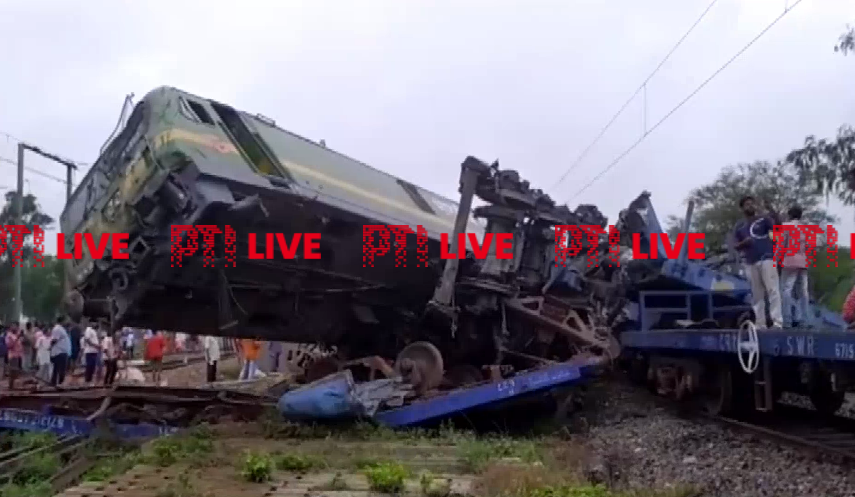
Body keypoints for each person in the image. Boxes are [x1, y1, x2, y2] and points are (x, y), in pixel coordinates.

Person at [733, 195, 783, 329]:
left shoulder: (764, 220)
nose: (750, 206)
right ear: (742, 208)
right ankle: (760, 324)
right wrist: (744, 243)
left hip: (767, 258)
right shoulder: (740, 226)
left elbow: (776, 233)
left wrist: (773, 212)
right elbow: (735, 245)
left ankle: (777, 322)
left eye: (752, 204)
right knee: (757, 294)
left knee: (772, 289)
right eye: (747, 204)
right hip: (750, 262)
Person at [779, 205, 813, 328]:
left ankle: (787, 320)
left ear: (789, 215)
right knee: (804, 291)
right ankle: (805, 319)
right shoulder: (806, 228)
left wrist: (777, 260)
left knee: (786, 290)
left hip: (789, 261)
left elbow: (782, 245)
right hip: (803, 261)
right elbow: (810, 246)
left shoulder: (786, 226)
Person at [49, 317, 71, 386]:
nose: (67, 322)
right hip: (59, 352)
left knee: (60, 369)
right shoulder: (57, 329)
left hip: (62, 352)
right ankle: (56, 384)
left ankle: (57, 383)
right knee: (59, 370)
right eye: (66, 320)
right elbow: (54, 340)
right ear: (62, 321)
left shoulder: (61, 329)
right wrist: (50, 348)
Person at [4, 322, 23, 390]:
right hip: (12, 355)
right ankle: (11, 386)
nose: (15, 328)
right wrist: (16, 339)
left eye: (16, 326)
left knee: (15, 372)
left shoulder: (16, 334)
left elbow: (19, 344)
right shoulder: (9, 336)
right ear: (11, 327)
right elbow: (9, 346)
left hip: (17, 355)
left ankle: (13, 386)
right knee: (12, 371)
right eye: (14, 326)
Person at [82, 321, 100, 385]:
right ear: (90, 323)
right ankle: (87, 380)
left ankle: (90, 380)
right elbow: (87, 339)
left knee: (93, 366)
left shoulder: (93, 330)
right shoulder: (88, 329)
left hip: (94, 351)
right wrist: (95, 345)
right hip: (90, 351)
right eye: (94, 322)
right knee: (89, 366)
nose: (95, 323)